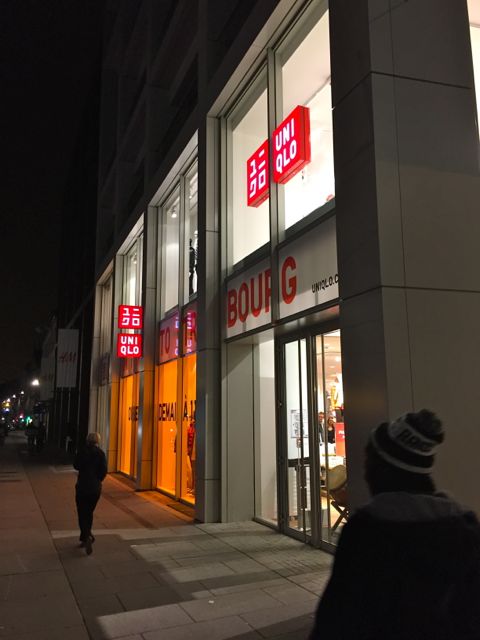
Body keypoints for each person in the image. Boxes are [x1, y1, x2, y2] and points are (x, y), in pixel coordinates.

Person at [310, 409, 480, 639]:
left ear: (383, 469)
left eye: (369, 462)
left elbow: (336, 617)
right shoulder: (466, 528)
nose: (365, 473)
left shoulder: (365, 532)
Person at [73, 432, 107, 555]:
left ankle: (86, 536)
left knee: (82, 512)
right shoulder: (101, 453)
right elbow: (104, 471)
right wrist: (98, 480)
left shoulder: (82, 452)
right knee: (89, 512)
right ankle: (86, 536)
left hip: (82, 486)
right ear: (98, 441)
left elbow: (76, 465)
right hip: (95, 488)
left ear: (87, 440)